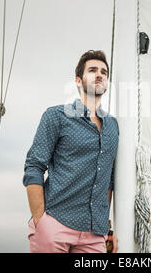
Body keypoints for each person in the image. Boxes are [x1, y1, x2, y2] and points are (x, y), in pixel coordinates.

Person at [23, 50, 119, 253]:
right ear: (78, 80)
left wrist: (108, 228)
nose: (99, 74)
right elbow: (34, 166)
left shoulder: (113, 126)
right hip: (55, 225)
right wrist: (41, 222)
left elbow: (109, 180)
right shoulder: (56, 116)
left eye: (104, 71)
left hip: (95, 235)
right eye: (92, 70)